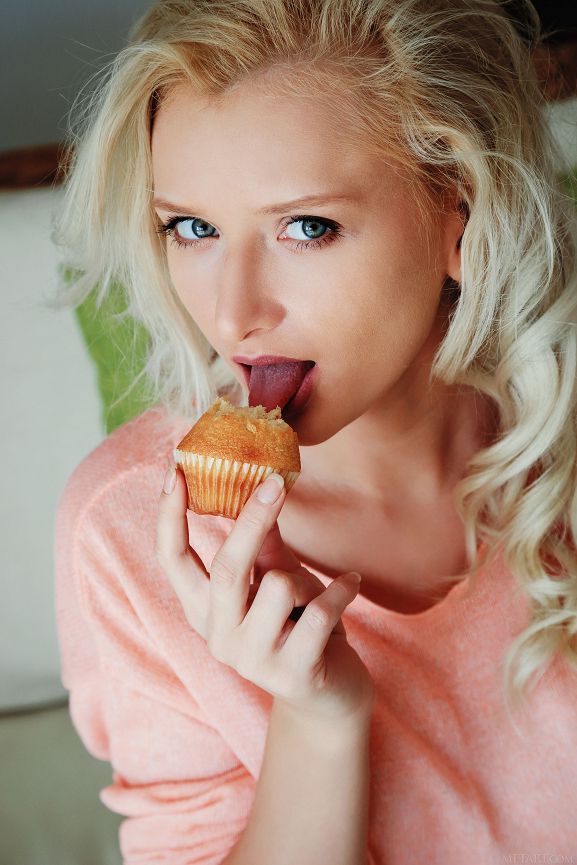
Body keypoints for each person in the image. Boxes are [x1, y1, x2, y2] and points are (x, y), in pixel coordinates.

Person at [52, 1, 577, 863]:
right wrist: (317, 718)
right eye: (192, 228)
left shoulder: (557, 442)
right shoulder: (130, 527)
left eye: (306, 227)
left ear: (458, 212)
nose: (233, 312)